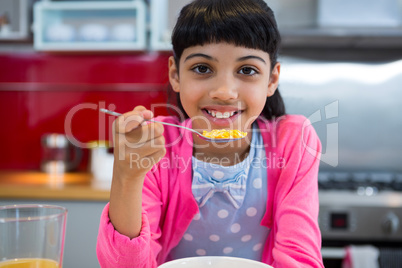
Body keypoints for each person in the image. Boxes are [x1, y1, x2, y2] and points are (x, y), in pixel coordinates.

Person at [96, 0, 324, 267]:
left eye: (247, 70)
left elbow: (300, 258)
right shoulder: (154, 142)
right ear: (175, 74)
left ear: (272, 80)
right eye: (202, 68)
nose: (224, 92)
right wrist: (127, 176)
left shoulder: (293, 141)